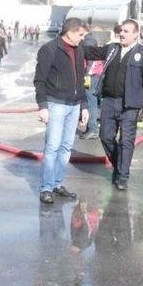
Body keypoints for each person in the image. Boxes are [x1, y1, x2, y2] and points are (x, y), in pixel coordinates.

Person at [83, 19, 143, 191]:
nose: (121, 34)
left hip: (130, 104)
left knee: (126, 141)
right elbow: (91, 52)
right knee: (106, 136)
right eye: (121, 31)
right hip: (109, 101)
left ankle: (122, 176)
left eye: (126, 31)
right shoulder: (112, 49)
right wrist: (71, 44)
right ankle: (119, 166)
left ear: (136, 34)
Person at [34, 17, 90, 204]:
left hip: (74, 106)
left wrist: (84, 106)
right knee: (52, 146)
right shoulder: (49, 50)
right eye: (81, 35)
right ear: (71, 32)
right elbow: (39, 80)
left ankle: (57, 183)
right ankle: (46, 188)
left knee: (66, 147)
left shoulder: (79, 51)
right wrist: (43, 106)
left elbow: (81, 81)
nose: (82, 39)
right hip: (55, 104)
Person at [80, 31, 103, 140]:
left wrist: (85, 74)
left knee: (90, 103)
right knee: (93, 102)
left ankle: (93, 129)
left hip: (91, 76)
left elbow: (89, 60)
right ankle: (92, 127)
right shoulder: (91, 40)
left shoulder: (87, 41)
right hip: (95, 75)